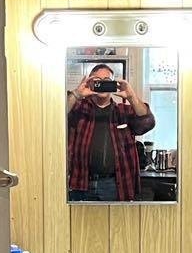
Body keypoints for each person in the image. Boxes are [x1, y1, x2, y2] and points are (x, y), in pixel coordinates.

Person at [66, 63, 156, 201]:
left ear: (114, 83)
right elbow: (56, 115)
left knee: (115, 223)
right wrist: (77, 94)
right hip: (81, 183)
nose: (102, 84)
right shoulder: (78, 109)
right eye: (97, 81)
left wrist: (131, 96)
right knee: (80, 222)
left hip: (115, 184)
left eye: (107, 81)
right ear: (90, 84)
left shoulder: (124, 111)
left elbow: (148, 122)